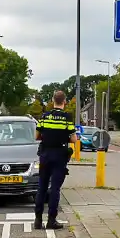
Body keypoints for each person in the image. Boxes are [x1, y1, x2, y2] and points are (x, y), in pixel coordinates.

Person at [34, 90, 78, 230]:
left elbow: (37, 136)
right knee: (55, 189)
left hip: (45, 154)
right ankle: (51, 220)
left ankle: (38, 219)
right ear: (64, 102)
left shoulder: (44, 116)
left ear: (53, 101)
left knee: (42, 187)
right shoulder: (67, 118)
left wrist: (47, 137)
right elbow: (73, 139)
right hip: (59, 155)